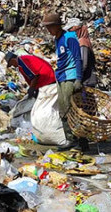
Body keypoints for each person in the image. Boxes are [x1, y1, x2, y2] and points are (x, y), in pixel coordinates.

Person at [42, 12, 84, 151]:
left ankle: (75, 141)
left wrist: (78, 78)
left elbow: (78, 58)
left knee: (69, 110)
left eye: (50, 27)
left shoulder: (69, 38)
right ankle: (75, 140)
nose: (49, 31)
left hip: (70, 76)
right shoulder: (57, 39)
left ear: (57, 26)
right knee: (64, 109)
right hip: (61, 76)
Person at [66, 19, 97, 87]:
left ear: (77, 29)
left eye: (70, 29)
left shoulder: (82, 42)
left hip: (86, 81)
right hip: (87, 79)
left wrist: (77, 78)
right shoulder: (84, 40)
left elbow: (83, 63)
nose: (69, 32)